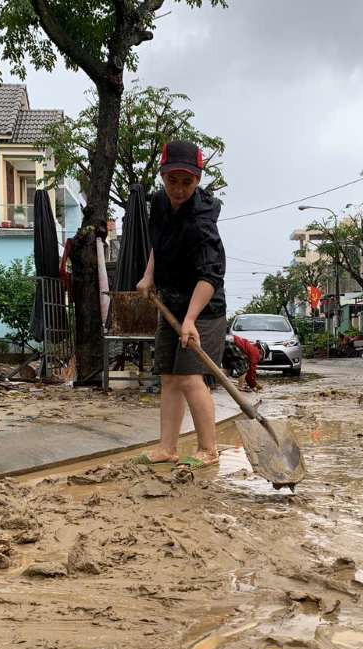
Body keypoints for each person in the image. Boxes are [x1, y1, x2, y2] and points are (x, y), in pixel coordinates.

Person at [134, 140, 226, 469]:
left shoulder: (202, 220)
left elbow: (210, 275)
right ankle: (167, 448)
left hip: (204, 308)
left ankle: (208, 449)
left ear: (198, 180)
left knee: (190, 378)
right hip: (171, 301)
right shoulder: (158, 204)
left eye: (187, 181)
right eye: (172, 180)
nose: (179, 189)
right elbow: (160, 245)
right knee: (170, 377)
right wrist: (148, 276)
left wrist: (190, 320)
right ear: (162, 176)